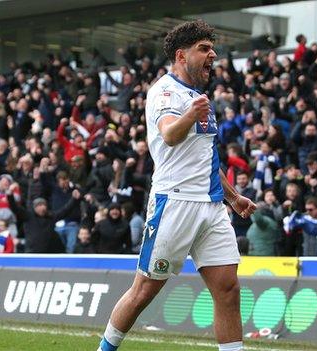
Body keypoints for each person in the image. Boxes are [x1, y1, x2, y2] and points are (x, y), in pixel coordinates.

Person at [99, 21, 256, 351]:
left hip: (211, 205)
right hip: (175, 202)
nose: (213, 54)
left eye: (212, 48)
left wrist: (232, 196)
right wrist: (190, 114)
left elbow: (204, 157)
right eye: (204, 48)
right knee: (144, 290)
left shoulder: (197, 96)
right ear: (182, 56)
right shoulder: (164, 91)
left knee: (228, 288)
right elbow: (170, 135)